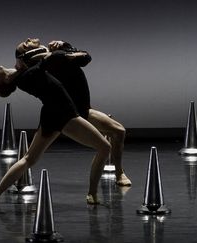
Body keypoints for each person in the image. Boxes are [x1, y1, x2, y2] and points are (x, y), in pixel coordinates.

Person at [0, 61, 109, 204]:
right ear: (7, 80)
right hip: (64, 115)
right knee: (105, 147)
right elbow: (47, 61)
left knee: (28, 159)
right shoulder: (26, 76)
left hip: (52, 114)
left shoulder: (22, 73)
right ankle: (92, 193)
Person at [15, 38, 131, 186]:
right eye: (26, 43)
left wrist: (65, 45)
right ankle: (7, 187)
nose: (29, 39)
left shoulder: (53, 52)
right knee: (31, 157)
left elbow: (85, 58)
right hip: (68, 114)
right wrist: (55, 54)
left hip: (83, 109)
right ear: (27, 54)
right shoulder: (40, 65)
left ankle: (119, 172)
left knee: (119, 131)